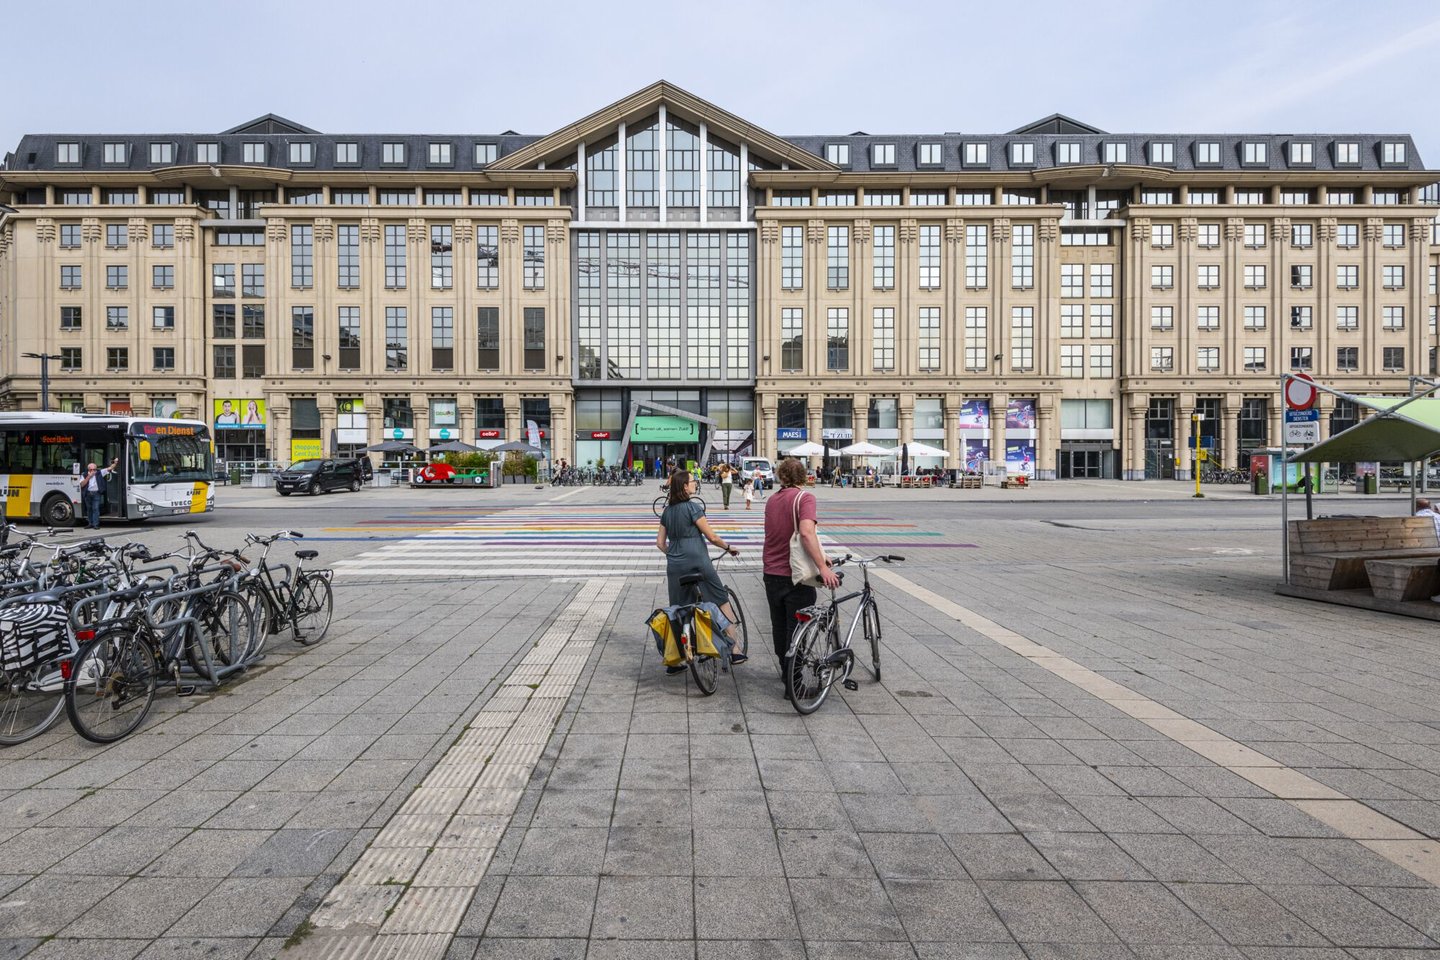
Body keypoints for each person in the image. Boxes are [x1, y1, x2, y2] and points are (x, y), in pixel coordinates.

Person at [763, 458, 840, 696]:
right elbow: (806, 533)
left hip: (771, 573)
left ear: (780, 475)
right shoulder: (805, 498)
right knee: (797, 631)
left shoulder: (772, 500)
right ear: (804, 476)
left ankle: (786, 672)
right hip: (796, 577)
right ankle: (794, 686)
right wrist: (822, 567)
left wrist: (821, 557)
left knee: (779, 627)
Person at [655, 470, 744, 669]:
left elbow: (660, 543)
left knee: (678, 610)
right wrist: (729, 548)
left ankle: (675, 660)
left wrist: (675, 553)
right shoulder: (693, 508)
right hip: (698, 561)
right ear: (685, 487)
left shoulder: (667, 512)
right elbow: (712, 537)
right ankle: (735, 649)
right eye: (693, 481)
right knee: (721, 599)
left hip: (675, 565)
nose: (695, 483)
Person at [76, 457, 120, 530]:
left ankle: (96, 524)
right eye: (91, 470)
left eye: (94, 469)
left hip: (96, 493)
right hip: (88, 494)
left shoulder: (99, 472)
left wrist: (115, 463)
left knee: (95, 508)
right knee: (89, 509)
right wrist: (89, 477)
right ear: (88, 469)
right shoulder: (84, 474)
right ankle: (90, 523)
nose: (93, 471)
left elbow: (110, 468)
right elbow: (82, 485)